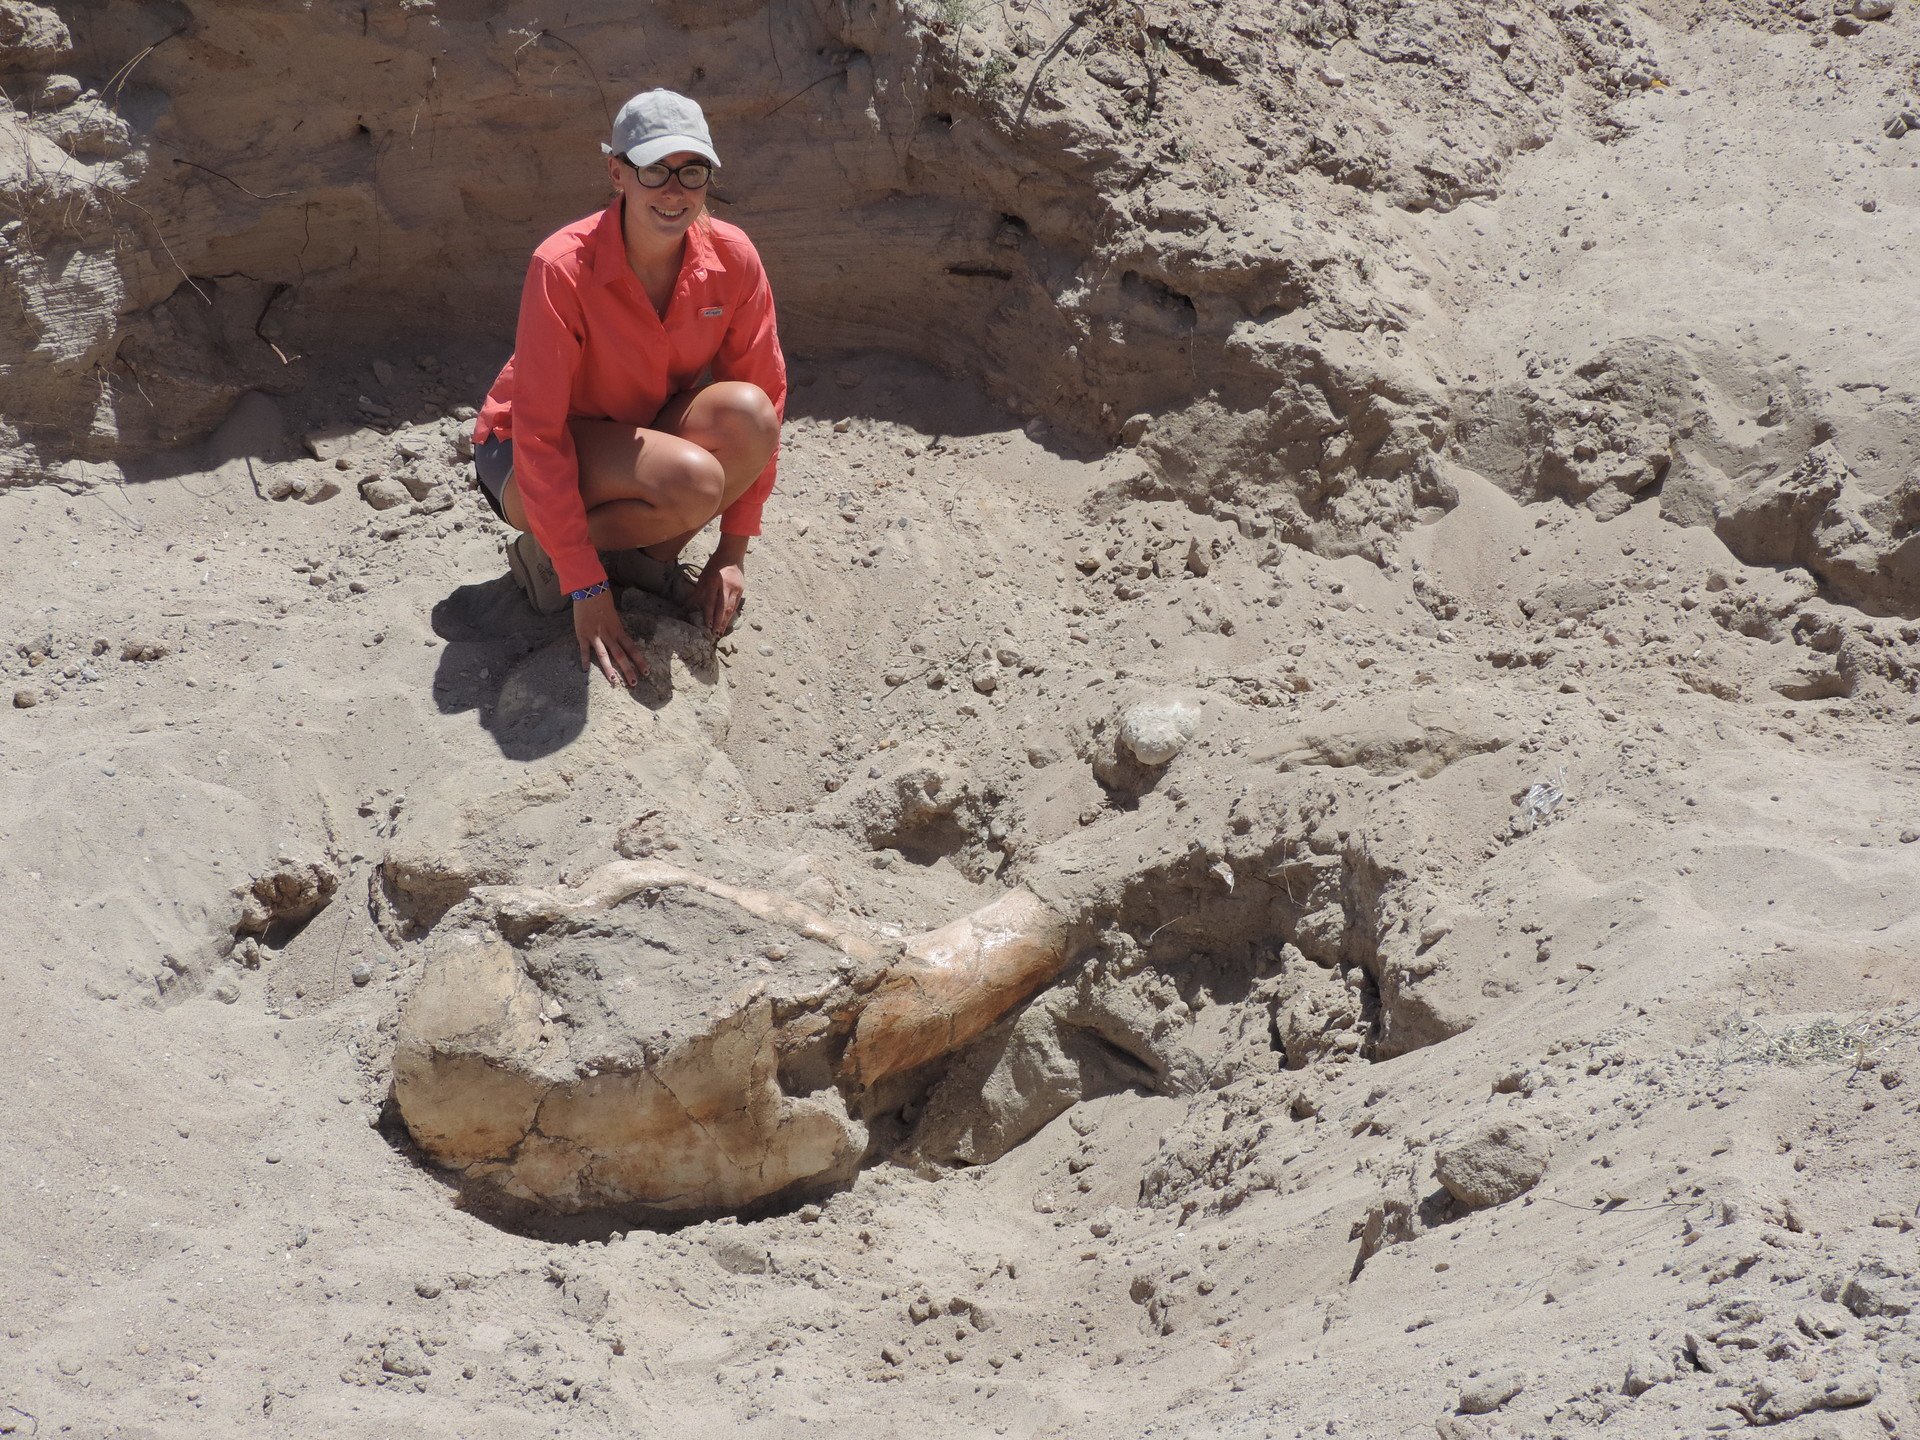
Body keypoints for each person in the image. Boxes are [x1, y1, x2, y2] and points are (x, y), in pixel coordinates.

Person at [470, 89, 786, 688]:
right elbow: (538, 431)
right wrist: (585, 586)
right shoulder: (562, 266)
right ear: (617, 172)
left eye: (692, 171)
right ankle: (554, 558)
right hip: (521, 454)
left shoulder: (733, 257)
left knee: (749, 416)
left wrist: (732, 552)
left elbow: (766, 391)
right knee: (693, 479)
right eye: (654, 170)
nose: (674, 191)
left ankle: (641, 565)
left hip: (633, 436)